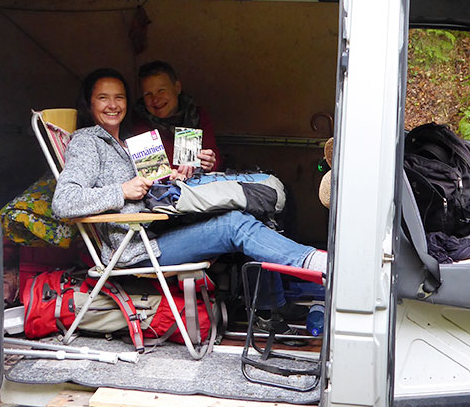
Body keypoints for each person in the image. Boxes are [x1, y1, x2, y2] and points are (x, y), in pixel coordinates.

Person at [52, 68, 326, 272]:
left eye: (119, 97)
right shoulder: (88, 141)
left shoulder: (129, 141)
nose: (113, 105)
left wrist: (168, 177)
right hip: (136, 249)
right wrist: (122, 190)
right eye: (103, 98)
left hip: (161, 228)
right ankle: (315, 263)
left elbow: (152, 186)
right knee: (234, 226)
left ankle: (270, 310)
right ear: (89, 103)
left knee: (243, 213)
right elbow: (63, 202)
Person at [128, 60, 221, 175]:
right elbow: (152, 172)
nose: (155, 99)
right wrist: (173, 174)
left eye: (161, 90)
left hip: (196, 184)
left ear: (177, 87)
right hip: (161, 188)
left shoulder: (195, 115)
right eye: (148, 94)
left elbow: (215, 161)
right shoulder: (140, 119)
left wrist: (210, 163)